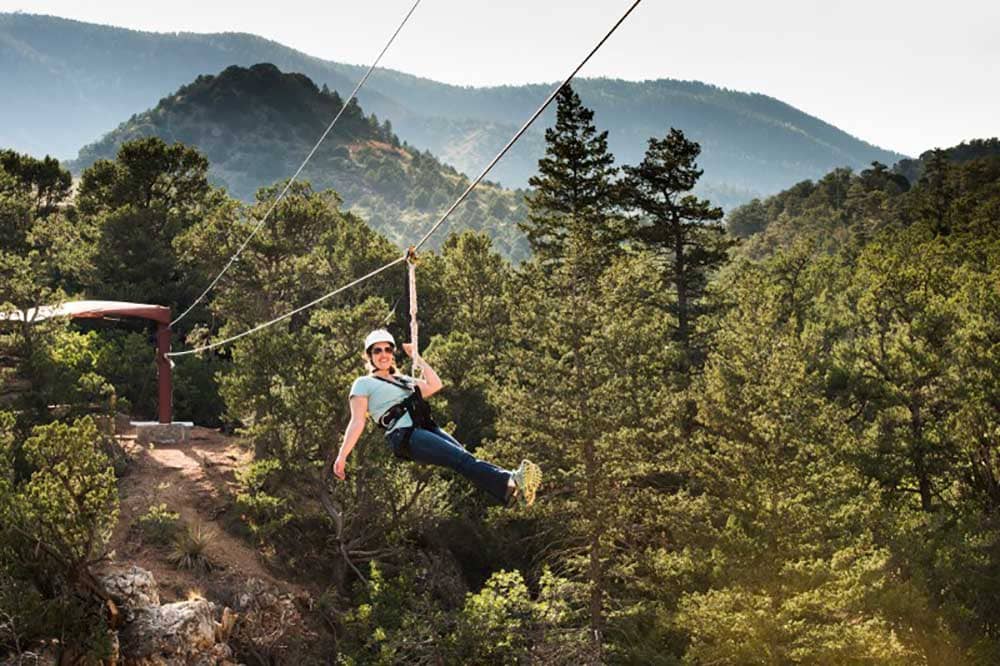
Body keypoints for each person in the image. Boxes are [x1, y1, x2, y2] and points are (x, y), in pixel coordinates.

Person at [333, 329, 541, 507]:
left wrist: (417, 357)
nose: (383, 354)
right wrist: (343, 456)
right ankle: (512, 478)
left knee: (463, 458)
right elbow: (357, 421)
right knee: (461, 460)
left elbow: (435, 384)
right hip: (404, 435)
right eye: (377, 351)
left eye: (388, 349)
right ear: (369, 355)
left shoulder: (403, 380)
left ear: (393, 353)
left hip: (425, 428)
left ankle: (513, 490)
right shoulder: (363, 383)